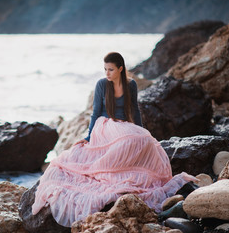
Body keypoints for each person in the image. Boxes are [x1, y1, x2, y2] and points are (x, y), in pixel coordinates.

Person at [32, 52, 196, 227]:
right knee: (125, 141)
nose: (107, 73)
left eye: (110, 69)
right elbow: (95, 113)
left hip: (123, 125)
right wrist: (89, 138)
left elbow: (134, 110)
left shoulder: (130, 84)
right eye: (105, 69)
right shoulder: (102, 84)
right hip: (105, 125)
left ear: (120, 69)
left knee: (144, 139)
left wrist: (141, 130)